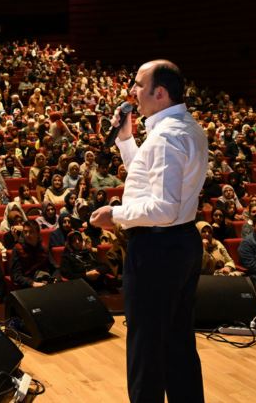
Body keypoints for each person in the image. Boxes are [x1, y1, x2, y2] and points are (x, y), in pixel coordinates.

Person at [90, 60, 208, 403]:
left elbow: (163, 207)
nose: (132, 93)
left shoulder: (167, 137)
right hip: (181, 244)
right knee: (178, 343)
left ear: (160, 92)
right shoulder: (184, 127)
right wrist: (126, 139)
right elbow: (148, 179)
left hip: (157, 250)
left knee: (146, 349)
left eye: (139, 85)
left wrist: (117, 214)